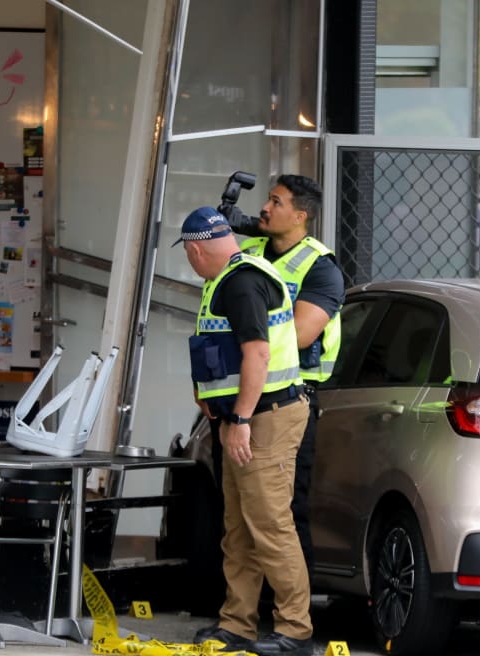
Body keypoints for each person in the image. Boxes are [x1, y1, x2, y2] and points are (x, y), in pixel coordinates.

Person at [175, 206, 314, 656]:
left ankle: (295, 631)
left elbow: (257, 355)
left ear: (196, 250)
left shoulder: (241, 283)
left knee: (270, 525)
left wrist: (240, 421)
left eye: (189, 256)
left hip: (264, 418)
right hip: (249, 418)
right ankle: (238, 623)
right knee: (239, 528)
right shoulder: (231, 279)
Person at [218, 174, 344, 577]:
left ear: (300, 215)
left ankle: (291, 623)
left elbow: (297, 335)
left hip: (290, 400)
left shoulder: (320, 269)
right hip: (241, 395)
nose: (266, 208)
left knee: (285, 510)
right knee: (240, 517)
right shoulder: (251, 249)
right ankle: (241, 618)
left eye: (276, 202)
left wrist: (248, 328)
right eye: (267, 200)